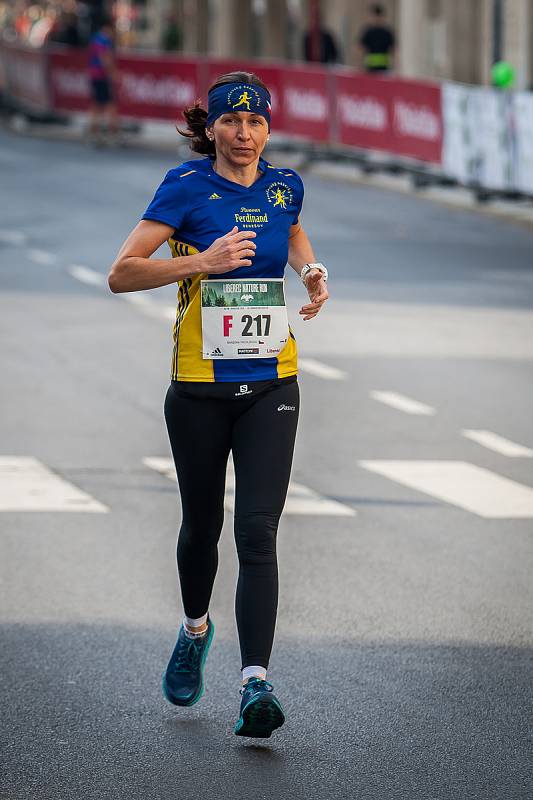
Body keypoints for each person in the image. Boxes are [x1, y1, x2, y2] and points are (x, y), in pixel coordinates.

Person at [108, 71, 329, 738]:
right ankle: (195, 627)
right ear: (209, 128)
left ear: (268, 128)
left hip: (271, 382)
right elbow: (121, 273)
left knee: (256, 531)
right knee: (201, 527)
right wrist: (198, 261)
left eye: (254, 122)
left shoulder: (284, 185)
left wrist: (311, 272)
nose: (242, 134)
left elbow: (289, 234)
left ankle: (254, 683)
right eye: (230, 123)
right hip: (198, 389)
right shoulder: (184, 188)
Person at [87, 17, 119, 144]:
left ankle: (93, 135)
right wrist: (113, 73)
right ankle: (113, 135)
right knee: (110, 105)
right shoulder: (104, 40)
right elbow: (104, 58)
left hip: (94, 75)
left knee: (96, 105)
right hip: (102, 76)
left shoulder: (94, 38)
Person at [357, 3, 396, 73]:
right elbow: (361, 49)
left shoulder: (386, 32)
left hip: (383, 68)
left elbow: (393, 50)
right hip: (371, 68)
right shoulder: (369, 32)